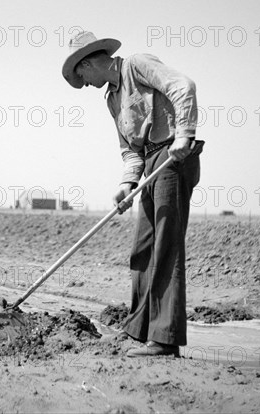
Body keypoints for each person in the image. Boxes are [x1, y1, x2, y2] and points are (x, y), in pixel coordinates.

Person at [62, 31, 204, 357]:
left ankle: (165, 340)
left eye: (80, 74)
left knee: (166, 246)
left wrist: (184, 133)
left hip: (173, 157)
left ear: (88, 62)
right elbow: (130, 150)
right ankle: (139, 331)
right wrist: (127, 184)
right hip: (151, 163)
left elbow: (183, 86)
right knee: (142, 248)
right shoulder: (112, 99)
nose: (82, 83)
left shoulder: (137, 65)